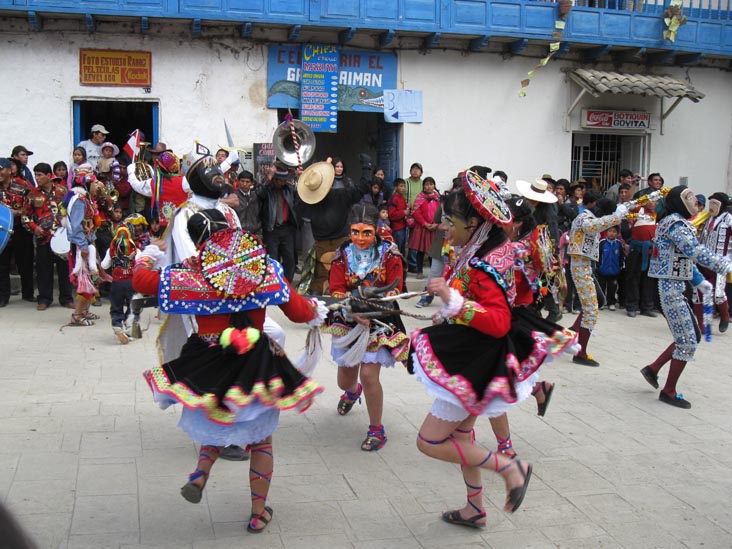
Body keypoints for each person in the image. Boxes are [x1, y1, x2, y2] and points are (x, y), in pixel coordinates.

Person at [132, 209, 327, 532]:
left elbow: (140, 280)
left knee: (218, 418)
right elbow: (298, 312)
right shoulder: (263, 268)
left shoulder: (190, 273)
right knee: (262, 440)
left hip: (207, 359)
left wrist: (147, 256)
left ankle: (200, 473)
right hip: (255, 361)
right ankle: (257, 512)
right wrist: (315, 310)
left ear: (196, 241)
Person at [410, 174, 536, 529]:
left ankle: (511, 468)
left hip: (473, 361)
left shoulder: (484, 263)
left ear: (474, 223)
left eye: (450, 223)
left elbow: (498, 321)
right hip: (474, 354)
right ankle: (474, 509)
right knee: (462, 437)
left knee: (429, 441)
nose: (443, 228)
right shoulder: (476, 251)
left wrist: (455, 301)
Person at [324, 203, 408, 451]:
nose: (360, 238)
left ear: (376, 230)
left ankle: (376, 429)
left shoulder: (390, 254)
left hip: (379, 318)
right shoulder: (341, 255)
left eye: (366, 232)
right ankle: (351, 392)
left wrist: (371, 307)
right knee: (344, 380)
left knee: (370, 375)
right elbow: (337, 289)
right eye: (355, 232)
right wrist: (353, 308)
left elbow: (395, 287)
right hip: (348, 316)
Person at [641, 186, 732, 409]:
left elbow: (684, 258)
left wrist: (698, 280)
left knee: (691, 336)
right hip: (669, 289)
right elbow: (694, 251)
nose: (694, 201)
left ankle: (653, 369)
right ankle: (668, 391)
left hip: (672, 286)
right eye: (689, 197)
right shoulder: (676, 223)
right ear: (678, 202)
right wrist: (723, 264)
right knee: (688, 341)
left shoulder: (674, 221)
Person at [567, 191, 630, 366]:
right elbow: (591, 227)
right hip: (581, 266)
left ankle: (573, 332)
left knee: (596, 303)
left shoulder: (586, 216)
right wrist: (615, 217)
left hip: (584, 266)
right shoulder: (585, 217)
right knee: (591, 310)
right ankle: (580, 353)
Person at [296, 156, 371, 294]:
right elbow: (363, 188)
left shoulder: (306, 202)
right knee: (337, 278)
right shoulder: (342, 194)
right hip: (331, 243)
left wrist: (300, 183)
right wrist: (366, 167)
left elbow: (299, 210)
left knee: (321, 280)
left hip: (328, 243)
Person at [21, 163, 73, 310]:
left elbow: (71, 210)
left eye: (40, 175)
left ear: (49, 176)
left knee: (65, 269)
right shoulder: (32, 194)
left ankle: (66, 298)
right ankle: (44, 299)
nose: (37, 178)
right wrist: (34, 227)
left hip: (62, 237)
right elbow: (26, 217)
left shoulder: (63, 191)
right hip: (43, 238)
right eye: (35, 174)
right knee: (44, 269)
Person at [65, 168, 102, 325]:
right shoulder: (79, 201)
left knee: (92, 277)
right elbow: (76, 225)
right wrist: (83, 246)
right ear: (86, 182)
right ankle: (77, 315)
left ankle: (85, 311)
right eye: (94, 181)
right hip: (82, 246)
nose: (97, 184)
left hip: (88, 242)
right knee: (85, 279)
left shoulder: (85, 199)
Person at [127, 143, 189, 230]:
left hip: (164, 226)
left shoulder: (154, 183)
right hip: (182, 224)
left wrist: (131, 171)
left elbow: (136, 185)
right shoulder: (184, 181)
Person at [0, 157, 35, 306]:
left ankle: (28, 294)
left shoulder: (23, 185)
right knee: (2, 265)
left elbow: (32, 205)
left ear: (9, 170)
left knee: (25, 263)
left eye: (1, 169)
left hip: (21, 228)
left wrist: (17, 212)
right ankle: (3, 297)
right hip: (2, 230)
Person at [696, 192, 732, 333]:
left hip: (720, 262)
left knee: (718, 294)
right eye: (710, 204)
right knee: (698, 292)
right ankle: (701, 325)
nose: (712, 207)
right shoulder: (705, 218)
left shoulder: (729, 219)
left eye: (715, 204)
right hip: (703, 260)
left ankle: (724, 315)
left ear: (722, 206)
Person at [258, 161, 299, 282]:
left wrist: (300, 179)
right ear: (274, 179)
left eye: (283, 180)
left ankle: (287, 284)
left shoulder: (289, 189)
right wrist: (268, 179)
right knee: (273, 259)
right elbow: (259, 193)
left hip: (287, 229)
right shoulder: (267, 189)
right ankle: (274, 283)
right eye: (279, 180)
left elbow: (300, 196)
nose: (281, 183)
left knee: (290, 259)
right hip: (271, 229)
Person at [100, 223, 138, 344]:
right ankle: (128, 328)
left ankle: (117, 324)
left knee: (116, 306)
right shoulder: (136, 249)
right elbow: (143, 264)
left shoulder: (111, 249)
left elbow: (104, 265)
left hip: (117, 283)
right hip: (131, 283)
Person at [408, 177, 440, 279]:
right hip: (422, 228)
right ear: (423, 186)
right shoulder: (420, 197)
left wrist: (436, 224)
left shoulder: (438, 198)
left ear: (434, 185)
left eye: (431, 184)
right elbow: (416, 213)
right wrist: (424, 223)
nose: (429, 186)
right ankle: (419, 271)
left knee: (432, 252)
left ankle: (433, 272)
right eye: (426, 184)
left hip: (434, 228)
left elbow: (441, 212)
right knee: (420, 251)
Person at [223, 170, 262, 239]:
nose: (244, 184)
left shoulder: (256, 196)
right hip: (238, 234)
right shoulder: (233, 196)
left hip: (255, 234)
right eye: (242, 181)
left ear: (251, 183)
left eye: (247, 182)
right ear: (238, 181)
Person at [597, 226, 623, 311]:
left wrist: (620, 266)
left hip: (614, 271)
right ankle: (601, 302)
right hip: (602, 270)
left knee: (612, 288)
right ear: (606, 232)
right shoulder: (602, 243)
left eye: (614, 231)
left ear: (617, 233)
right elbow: (598, 256)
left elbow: (621, 257)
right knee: (601, 287)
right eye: (610, 231)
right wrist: (598, 266)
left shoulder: (618, 244)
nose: (612, 233)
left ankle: (611, 303)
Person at [387, 178, 410, 260]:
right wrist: (403, 212)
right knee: (397, 250)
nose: (403, 188)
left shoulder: (402, 198)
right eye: (401, 186)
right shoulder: (393, 199)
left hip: (403, 227)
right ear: (395, 188)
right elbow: (391, 215)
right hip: (397, 229)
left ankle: (402, 269)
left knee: (402, 250)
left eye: (404, 186)